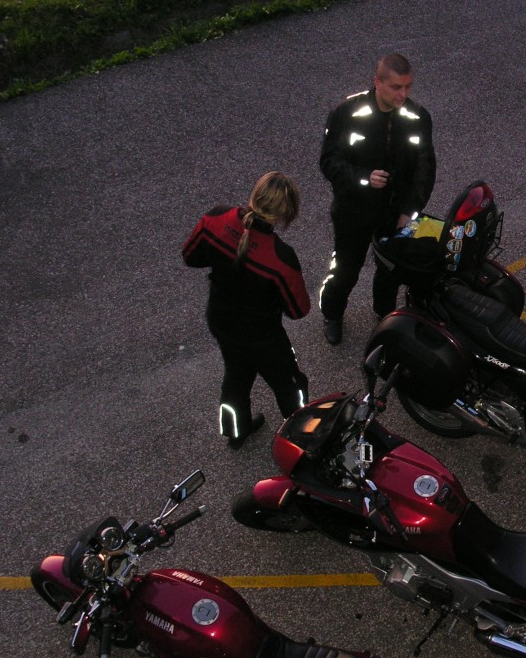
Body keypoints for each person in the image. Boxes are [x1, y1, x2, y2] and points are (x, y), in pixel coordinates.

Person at [183, 171, 310, 449]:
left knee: (237, 375)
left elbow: (190, 256)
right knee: (290, 384)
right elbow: (298, 309)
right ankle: (302, 436)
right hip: (262, 336)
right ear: (285, 213)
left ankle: (236, 431)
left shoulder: (216, 218)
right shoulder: (281, 257)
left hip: (221, 320)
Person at [317, 53, 436, 345]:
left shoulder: (417, 117)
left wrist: (410, 211)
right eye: (396, 87)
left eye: (407, 87)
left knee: (390, 271)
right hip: (353, 211)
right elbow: (329, 162)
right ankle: (332, 313)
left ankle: (384, 313)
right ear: (377, 82)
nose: (403, 94)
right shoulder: (347, 113)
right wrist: (363, 177)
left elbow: (425, 169)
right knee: (345, 270)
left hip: (395, 213)